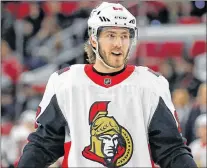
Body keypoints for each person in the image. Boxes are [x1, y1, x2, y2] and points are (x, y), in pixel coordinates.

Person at [17, 2, 197, 168]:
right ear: (94, 40)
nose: (119, 44)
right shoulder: (66, 83)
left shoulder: (151, 85)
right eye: (111, 35)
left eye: (124, 36)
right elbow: (43, 145)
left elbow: (170, 149)